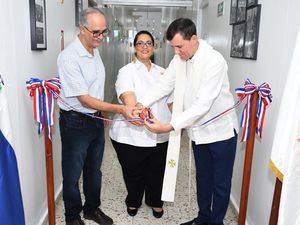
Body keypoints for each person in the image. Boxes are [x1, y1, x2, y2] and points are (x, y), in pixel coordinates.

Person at [140, 18, 239, 225]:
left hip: (221, 133)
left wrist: (170, 125)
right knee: (203, 179)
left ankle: (216, 222)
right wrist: (141, 103)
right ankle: (203, 218)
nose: (176, 52)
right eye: (173, 47)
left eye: (179, 46)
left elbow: (203, 104)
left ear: (193, 39)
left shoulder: (214, 61)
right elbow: (164, 85)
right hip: (198, 132)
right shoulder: (179, 60)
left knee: (220, 184)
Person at [57, 8, 136, 225]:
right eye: (96, 32)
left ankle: (91, 209)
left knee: (94, 170)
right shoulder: (69, 58)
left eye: (104, 32)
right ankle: (72, 217)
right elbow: (84, 99)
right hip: (75, 121)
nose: (101, 37)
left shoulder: (95, 49)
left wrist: (103, 112)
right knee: (72, 175)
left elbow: (95, 91)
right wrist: (119, 109)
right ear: (82, 29)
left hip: (95, 119)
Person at [109, 30, 172, 219]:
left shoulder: (164, 72)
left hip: (159, 132)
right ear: (134, 47)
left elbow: (171, 101)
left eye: (148, 43)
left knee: (157, 171)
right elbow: (128, 96)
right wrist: (133, 110)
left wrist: (180, 120)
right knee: (133, 173)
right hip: (130, 135)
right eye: (140, 43)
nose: (144, 46)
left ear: (154, 47)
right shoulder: (126, 71)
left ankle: (155, 202)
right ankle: (133, 200)